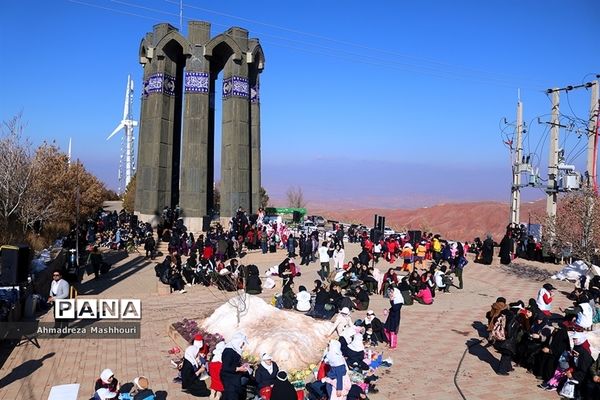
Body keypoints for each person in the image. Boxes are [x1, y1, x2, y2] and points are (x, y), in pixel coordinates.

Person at [220, 333, 250, 400]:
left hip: (233, 377)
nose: (243, 345)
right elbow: (226, 367)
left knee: (228, 395)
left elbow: (233, 363)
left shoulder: (234, 349)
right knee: (231, 396)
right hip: (228, 377)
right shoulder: (229, 351)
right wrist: (239, 368)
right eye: (243, 343)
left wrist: (242, 365)